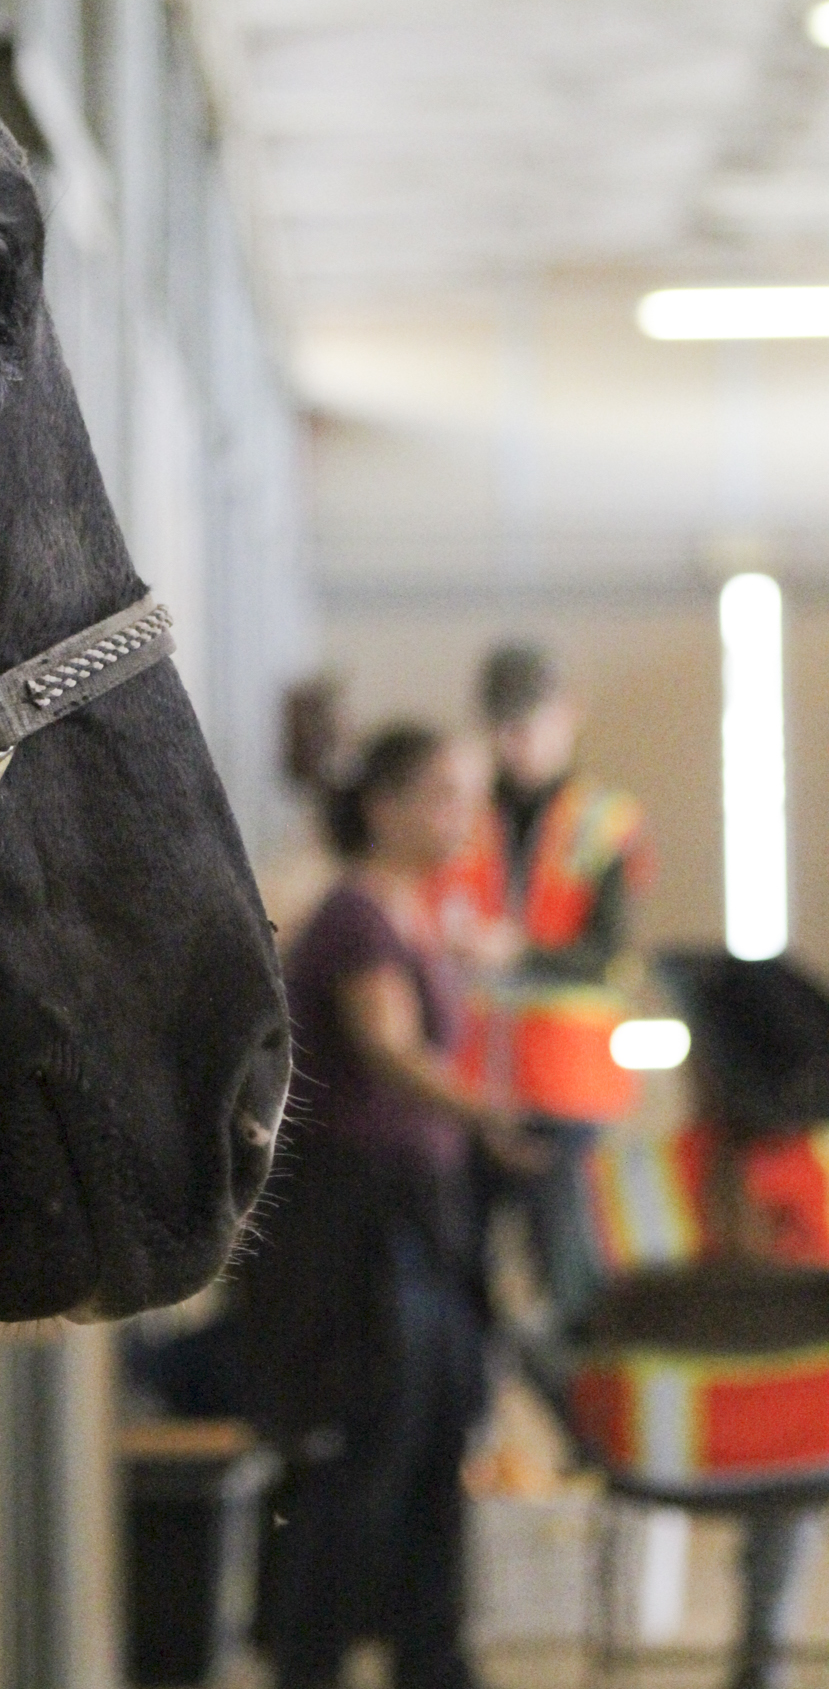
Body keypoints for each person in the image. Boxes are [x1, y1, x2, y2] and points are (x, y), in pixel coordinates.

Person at [241, 724, 545, 1689]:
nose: (464, 819)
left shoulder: (415, 912)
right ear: (384, 806)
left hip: (422, 1216)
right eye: (444, 796)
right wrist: (493, 1112)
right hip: (361, 1232)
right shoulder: (358, 917)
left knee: (434, 1450)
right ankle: (314, 1666)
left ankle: (432, 1661)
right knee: (365, 1463)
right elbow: (387, 1048)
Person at [435, 643, 652, 1319]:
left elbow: (611, 955)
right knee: (455, 1281)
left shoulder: (606, 824)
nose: (513, 744)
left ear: (568, 715)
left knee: (566, 1285)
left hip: (564, 1089)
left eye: (527, 725)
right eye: (500, 727)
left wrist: (516, 953)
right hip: (465, 1084)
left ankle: (584, 1419)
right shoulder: (460, 814)